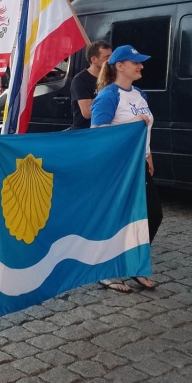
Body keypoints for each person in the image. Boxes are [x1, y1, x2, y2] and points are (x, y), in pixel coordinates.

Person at [90, 45, 163, 293]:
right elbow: (97, 134)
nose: (141, 66)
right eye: (136, 62)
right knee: (118, 219)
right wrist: (133, 122)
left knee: (152, 214)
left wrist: (148, 154)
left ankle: (134, 264)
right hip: (116, 168)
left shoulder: (139, 93)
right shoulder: (109, 96)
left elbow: (146, 129)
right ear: (119, 66)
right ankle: (107, 271)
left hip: (137, 164)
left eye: (141, 62)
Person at [70, 40, 112, 130]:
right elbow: (88, 112)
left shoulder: (111, 77)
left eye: (111, 56)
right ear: (94, 59)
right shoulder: (80, 80)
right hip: (85, 132)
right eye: (107, 57)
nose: (111, 60)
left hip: (105, 130)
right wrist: (111, 100)